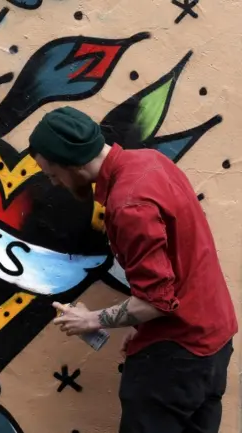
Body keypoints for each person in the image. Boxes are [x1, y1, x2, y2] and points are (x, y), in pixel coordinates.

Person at [27, 106, 238, 433]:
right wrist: (141, 326)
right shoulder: (151, 162)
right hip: (213, 342)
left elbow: (156, 301)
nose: (54, 183)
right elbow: (180, 259)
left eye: (53, 175)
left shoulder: (128, 205)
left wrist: (91, 319)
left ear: (74, 163)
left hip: (176, 358)